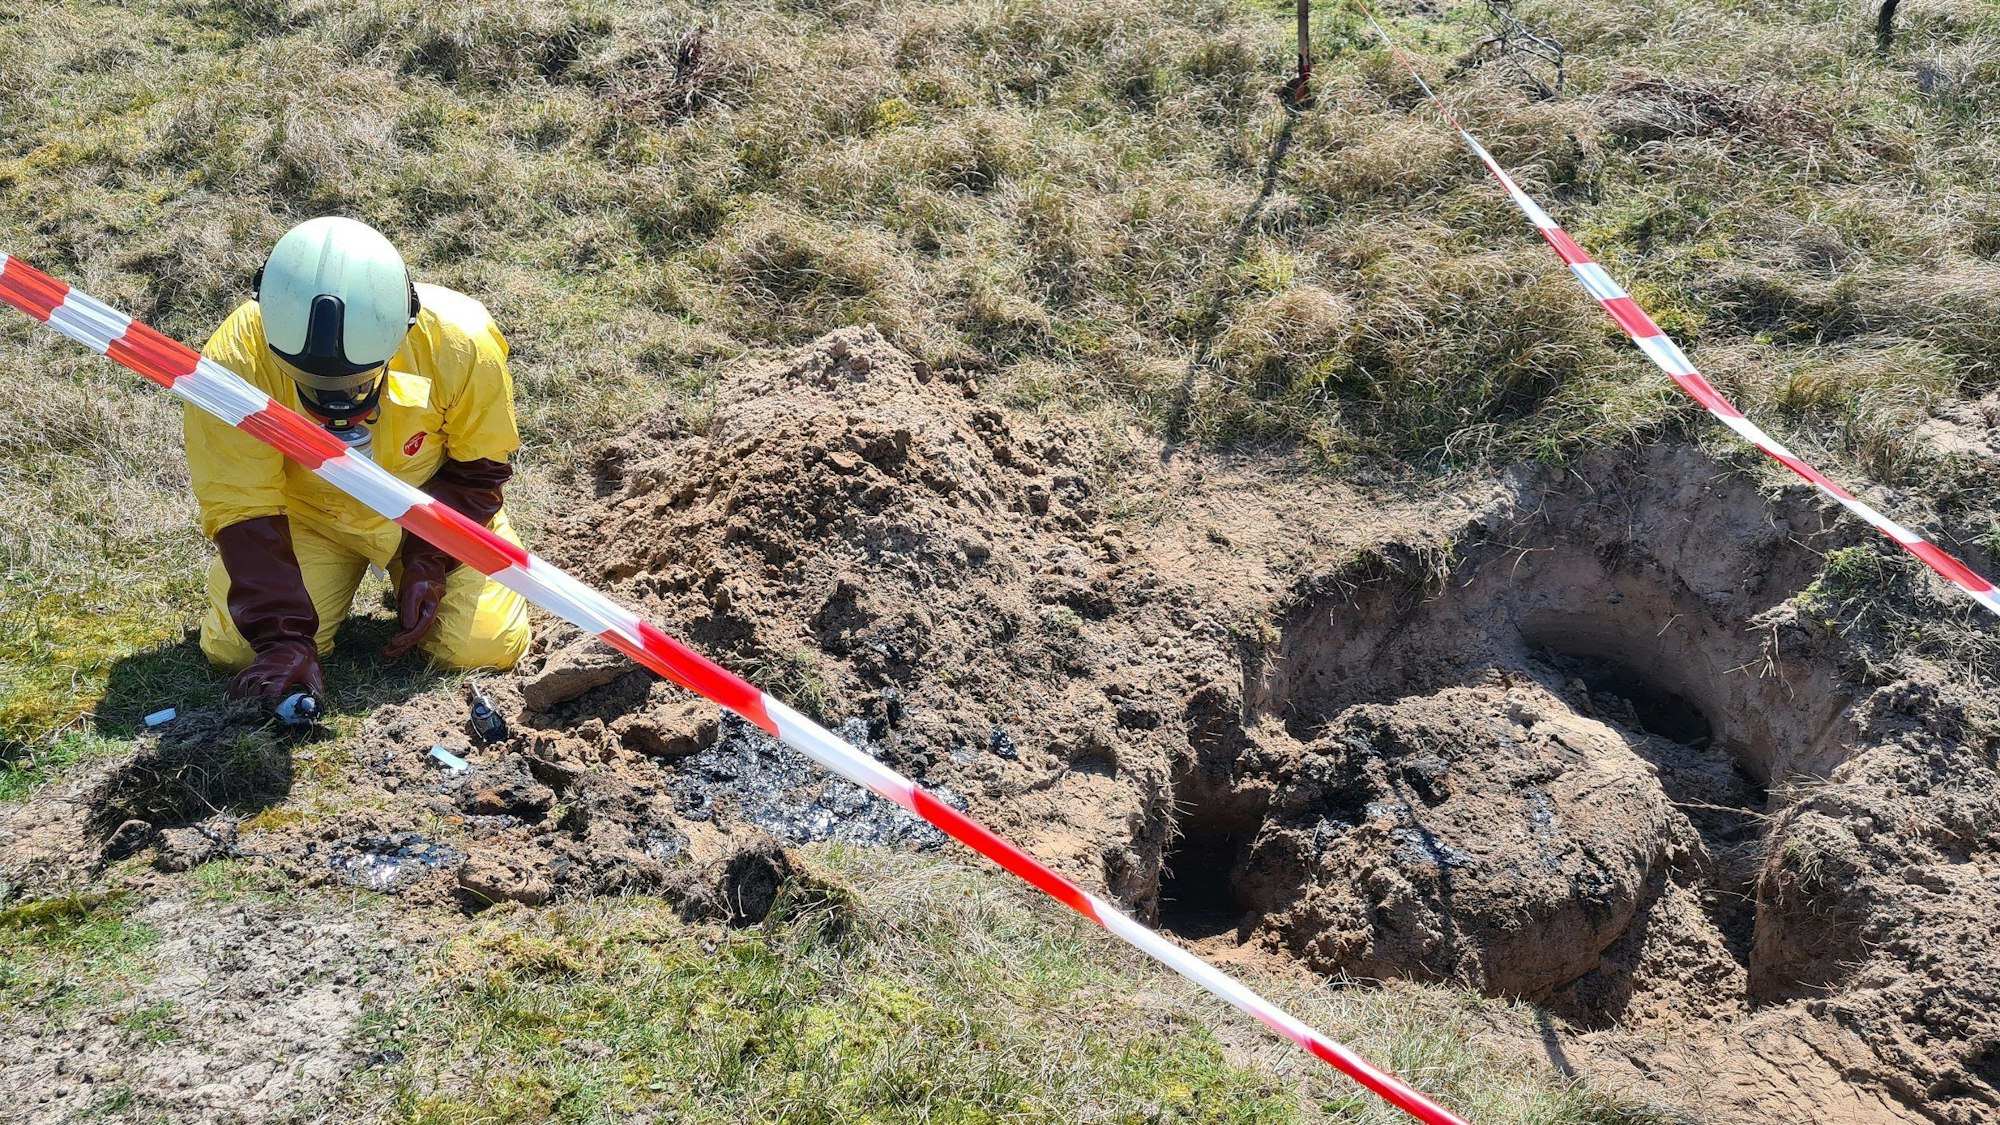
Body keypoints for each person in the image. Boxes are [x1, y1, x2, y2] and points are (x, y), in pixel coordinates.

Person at [188, 216, 532, 701]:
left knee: (482, 647)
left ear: (402, 327)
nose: (337, 402)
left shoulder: (462, 341)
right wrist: (281, 636)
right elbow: (239, 500)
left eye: (357, 381)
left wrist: (428, 558)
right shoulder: (234, 359)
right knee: (238, 652)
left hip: (429, 510)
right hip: (307, 515)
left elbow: (480, 469)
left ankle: (431, 567)